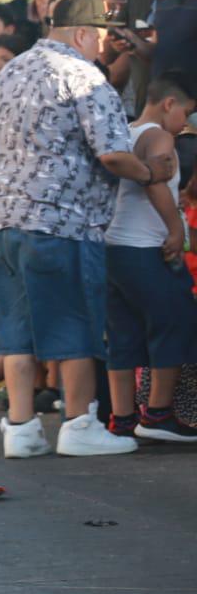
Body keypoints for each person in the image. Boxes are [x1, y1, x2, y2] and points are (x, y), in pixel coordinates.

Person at [0, 0, 171, 459]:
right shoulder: (84, 77)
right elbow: (111, 153)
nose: (102, 47)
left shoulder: (9, 72)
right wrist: (149, 174)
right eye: (101, 37)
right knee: (74, 325)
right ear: (83, 33)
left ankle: (21, 429)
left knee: (16, 332)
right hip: (59, 219)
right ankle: (79, 424)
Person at [102, 74, 197, 441]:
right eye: (185, 112)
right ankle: (158, 414)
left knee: (123, 332)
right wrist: (175, 229)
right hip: (144, 247)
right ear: (169, 104)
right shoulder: (159, 135)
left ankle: (122, 418)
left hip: (114, 247)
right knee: (174, 319)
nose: (186, 123)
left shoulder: (124, 132)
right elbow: (155, 181)